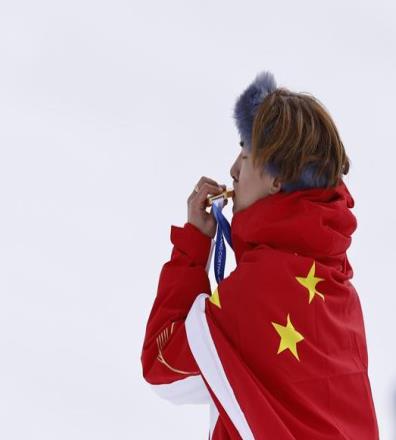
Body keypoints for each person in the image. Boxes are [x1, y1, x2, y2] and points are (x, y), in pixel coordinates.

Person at [140, 72, 379, 439]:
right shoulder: (341, 295)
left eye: (246, 155)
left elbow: (164, 370)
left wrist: (192, 250)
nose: (234, 169)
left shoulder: (256, 290)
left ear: (276, 180)